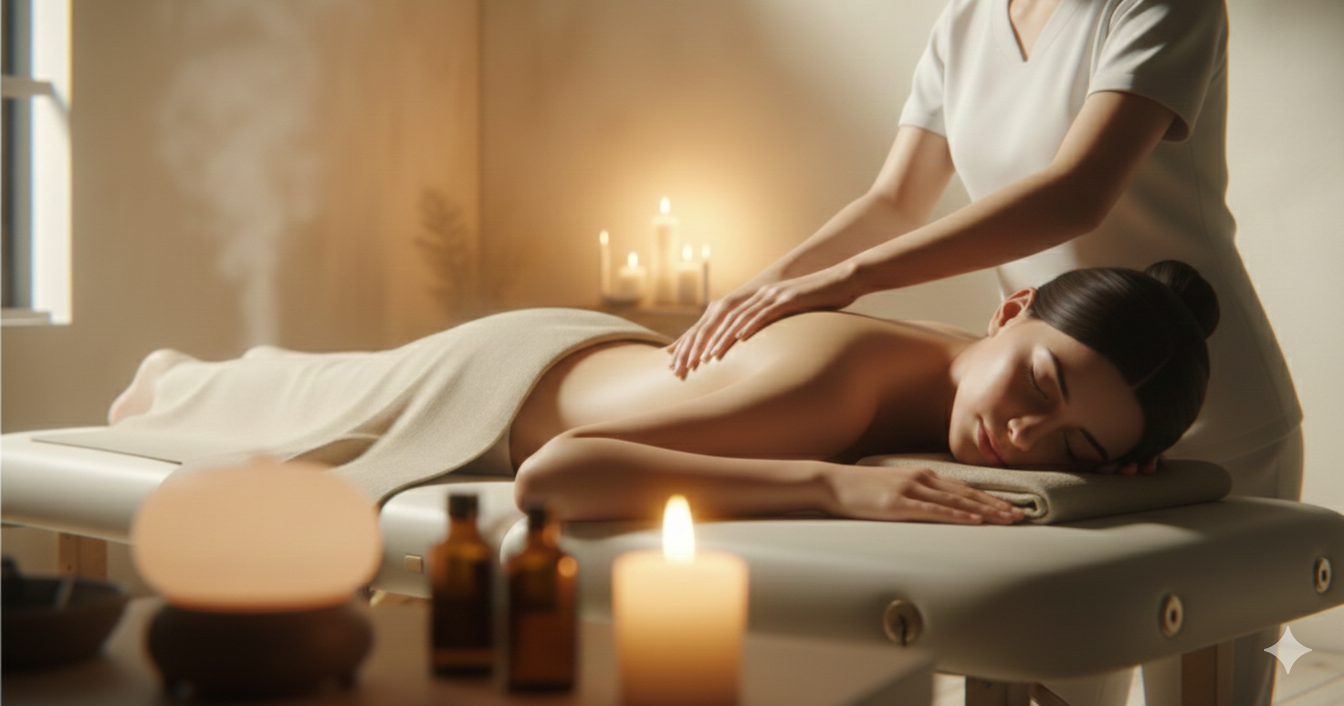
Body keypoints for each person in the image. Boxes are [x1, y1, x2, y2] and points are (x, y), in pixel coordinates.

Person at [665, 0, 1299, 704]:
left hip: (1209, 412)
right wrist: (759, 295)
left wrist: (847, 282)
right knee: (1054, 681)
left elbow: (1076, 192)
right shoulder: (966, 21)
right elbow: (894, 201)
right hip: (1052, 439)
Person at [110, 260, 1217, 528]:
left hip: (604, 358)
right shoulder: (830, 386)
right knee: (272, 407)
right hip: (503, 393)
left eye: (1072, 447)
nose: (1024, 434)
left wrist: (1125, 463)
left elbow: (1068, 424)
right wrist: (838, 488)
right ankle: (175, 379)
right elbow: (556, 477)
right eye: (1042, 384)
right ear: (1011, 311)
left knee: (306, 388)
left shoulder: (970, 381)